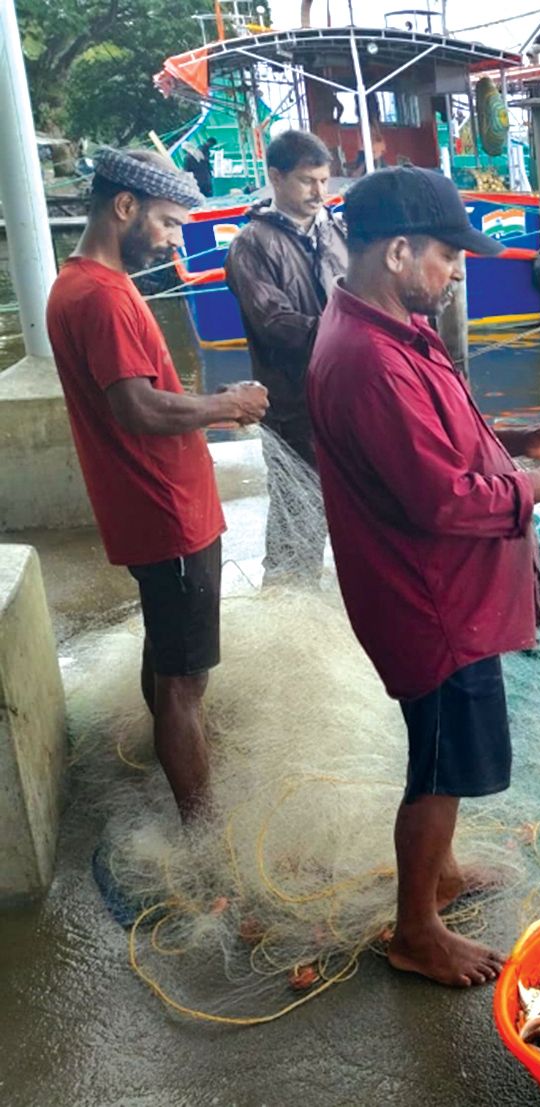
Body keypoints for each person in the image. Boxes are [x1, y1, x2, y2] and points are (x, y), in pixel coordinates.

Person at [306, 166, 540, 987]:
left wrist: (521, 442)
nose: (458, 271)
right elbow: (438, 496)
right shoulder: (369, 358)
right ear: (398, 251)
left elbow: (439, 438)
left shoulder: (392, 327)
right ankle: (416, 929)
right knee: (438, 765)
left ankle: (445, 872)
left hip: (442, 591)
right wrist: (538, 486)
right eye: (448, 254)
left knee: (449, 753)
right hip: (429, 601)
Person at [46, 148, 269, 821]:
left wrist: (216, 407)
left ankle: (174, 768)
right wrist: (226, 405)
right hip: (168, 512)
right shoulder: (104, 297)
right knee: (184, 683)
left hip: (155, 510)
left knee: (167, 657)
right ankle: (202, 829)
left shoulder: (76, 285)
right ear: (125, 206)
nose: (175, 241)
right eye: (169, 223)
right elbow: (137, 408)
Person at [224, 129, 348, 585]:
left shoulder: (337, 232)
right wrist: (353, 336)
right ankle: (287, 600)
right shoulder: (251, 244)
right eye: (307, 181)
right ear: (275, 178)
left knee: (358, 509)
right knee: (297, 518)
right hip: (293, 406)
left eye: (324, 180)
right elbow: (274, 323)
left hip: (347, 398)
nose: (319, 192)